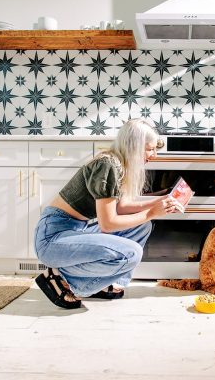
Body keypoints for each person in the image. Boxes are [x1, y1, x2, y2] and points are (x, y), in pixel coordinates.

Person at [33, 118, 178, 309]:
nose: (154, 155)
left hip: (76, 231)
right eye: (150, 148)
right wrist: (151, 212)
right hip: (52, 239)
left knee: (142, 225)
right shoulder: (108, 165)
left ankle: (100, 282)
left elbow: (120, 207)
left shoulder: (117, 163)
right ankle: (61, 278)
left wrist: (158, 202)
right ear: (135, 146)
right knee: (131, 253)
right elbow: (108, 224)